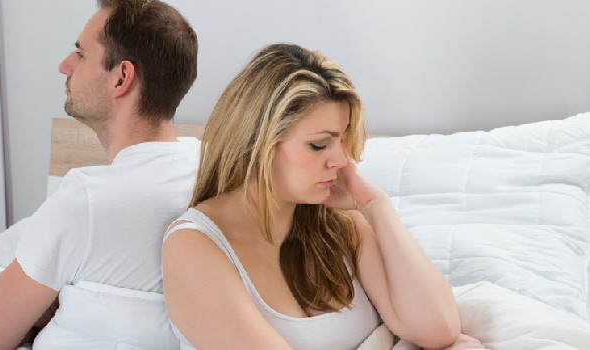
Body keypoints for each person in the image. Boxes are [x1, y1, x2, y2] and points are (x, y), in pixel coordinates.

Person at [162, 43, 484, 349]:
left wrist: (377, 207)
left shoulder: (340, 228)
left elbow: (438, 327)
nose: (341, 160)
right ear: (258, 143)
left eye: (342, 140)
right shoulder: (194, 247)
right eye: (319, 145)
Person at [0, 0, 198, 349]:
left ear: (122, 77)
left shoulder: (87, 198)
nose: (64, 66)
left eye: (80, 54)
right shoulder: (207, 166)